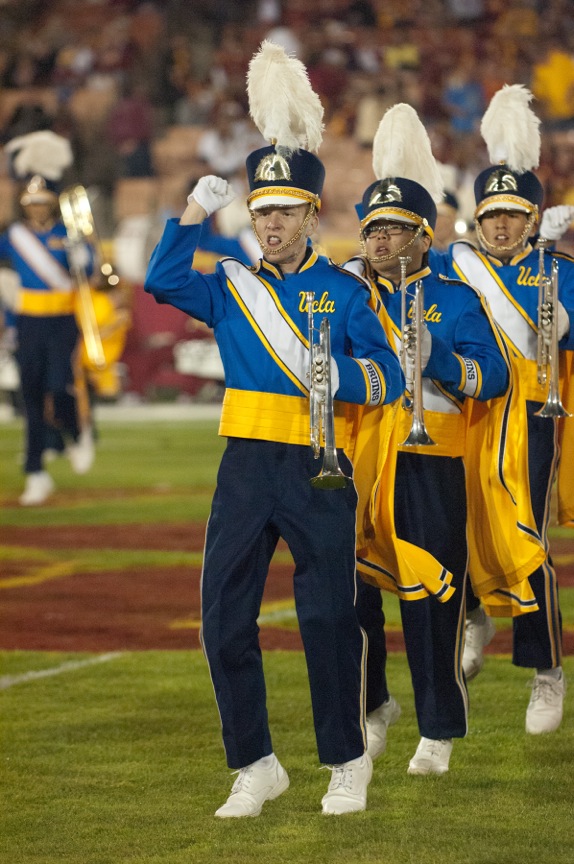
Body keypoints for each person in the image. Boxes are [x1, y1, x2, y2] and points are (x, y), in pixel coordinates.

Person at [144, 41, 404, 818]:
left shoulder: (346, 289)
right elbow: (160, 281)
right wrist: (195, 208)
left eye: (285, 212)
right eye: (262, 212)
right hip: (246, 463)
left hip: (319, 463)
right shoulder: (230, 287)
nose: (273, 225)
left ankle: (345, 760)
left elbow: (389, 375)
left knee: (328, 616)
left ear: (309, 214)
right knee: (223, 615)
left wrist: (344, 380)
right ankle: (255, 763)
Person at [344, 104, 518, 775]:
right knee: (351, 596)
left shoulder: (454, 295)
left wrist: (439, 358)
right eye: (372, 226)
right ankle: (373, 703)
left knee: (432, 600)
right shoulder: (348, 291)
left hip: (431, 461)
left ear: (423, 235)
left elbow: (495, 376)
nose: (379, 238)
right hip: (361, 463)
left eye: (392, 227)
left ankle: (438, 729)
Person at [435, 85, 574, 733]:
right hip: (463, 417)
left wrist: (553, 281)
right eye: (492, 214)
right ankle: (473, 616)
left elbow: (566, 335)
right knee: (448, 525)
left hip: (530, 421)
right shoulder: (455, 266)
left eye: (514, 215)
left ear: (530, 218)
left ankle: (546, 670)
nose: (500, 224)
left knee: (524, 539)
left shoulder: (557, 269)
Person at [0, 131, 96, 505]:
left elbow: (88, 272)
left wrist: (82, 255)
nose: (37, 208)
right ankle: (35, 471)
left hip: (61, 321)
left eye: (43, 202)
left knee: (59, 384)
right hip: (28, 322)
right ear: (25, 205)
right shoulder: (13, 236)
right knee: (31, 396)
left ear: (51, 203)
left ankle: (75, 433)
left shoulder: (66, 232)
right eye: (32, 202)